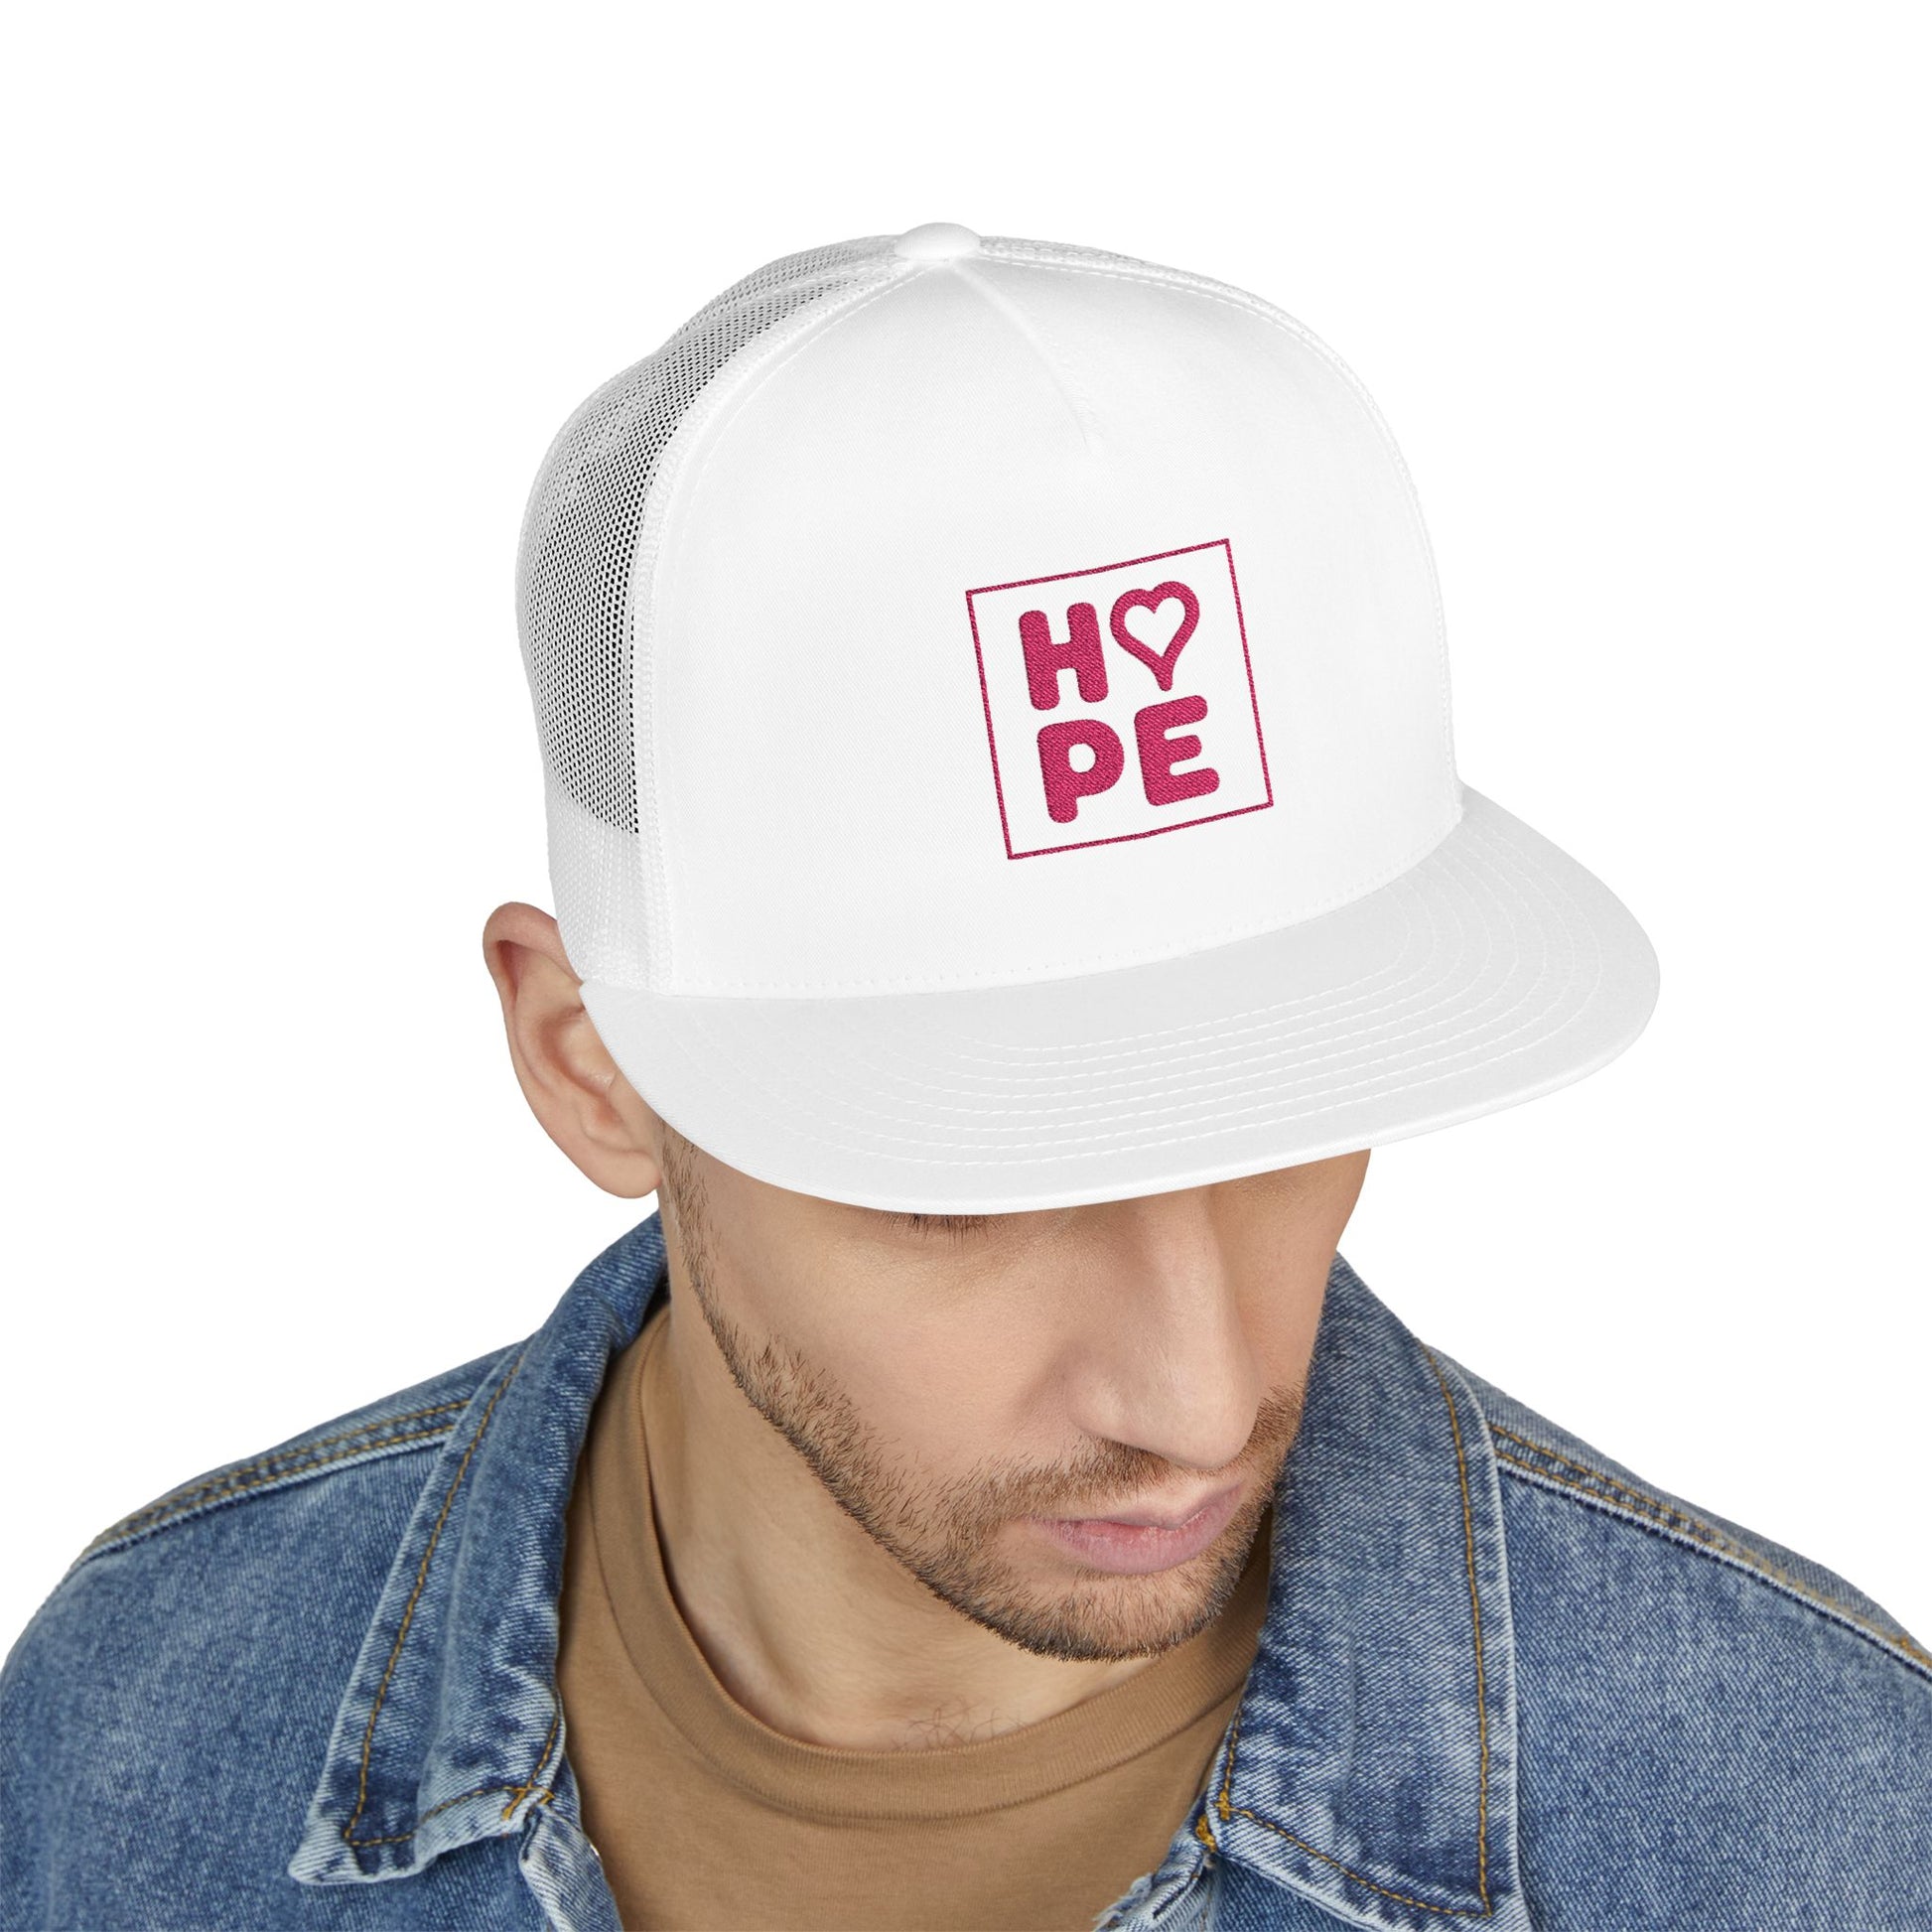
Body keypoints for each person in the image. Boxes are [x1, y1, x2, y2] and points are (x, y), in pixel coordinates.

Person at [2, 223, 1926, 1932]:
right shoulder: (131, 1733)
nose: (1196, 1398)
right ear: (591, 1068)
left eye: (1282, 1117)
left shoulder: (1815, 1826)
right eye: (972, 1182)